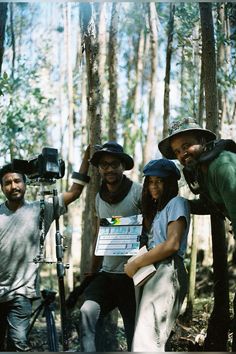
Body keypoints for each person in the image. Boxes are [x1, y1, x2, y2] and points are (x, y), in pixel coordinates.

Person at [0, 146, 90, 351]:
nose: (13, 186)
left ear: (25, 183)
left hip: (20, 293)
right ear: (2, 187)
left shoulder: (41, 209)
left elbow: (75, 191)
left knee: (17, 344)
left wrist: (87, 155)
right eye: (7, 183)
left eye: (17, 181)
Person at [79, 141, 142, 352]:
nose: (109, 169)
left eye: (114, 164)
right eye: (104, 165)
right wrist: (93, 270)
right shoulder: (98, 197)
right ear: (99, 169)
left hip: (132, 275)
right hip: (106, 274)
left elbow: (150, 231)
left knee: (135, 328)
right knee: (87, 311)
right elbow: (100, 235)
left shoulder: (137, 192)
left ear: (123, 166)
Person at [124, 159, 190, 352]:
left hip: (167, 270)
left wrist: (136, 263)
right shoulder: (158, 211)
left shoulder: (177, 203)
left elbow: (172, 244)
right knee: (146, 335)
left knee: (149, 336)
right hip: (152, 269)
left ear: (170, 183)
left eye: (159, 181)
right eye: (150, 181)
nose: (153, 186)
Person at [158, 117, 236, 236]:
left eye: (186, 146)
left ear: (203, 142)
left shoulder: (222, 166)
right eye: (177, 151)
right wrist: (179, 203)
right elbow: (209, 205)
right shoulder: (203, 171)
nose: (182, 154)